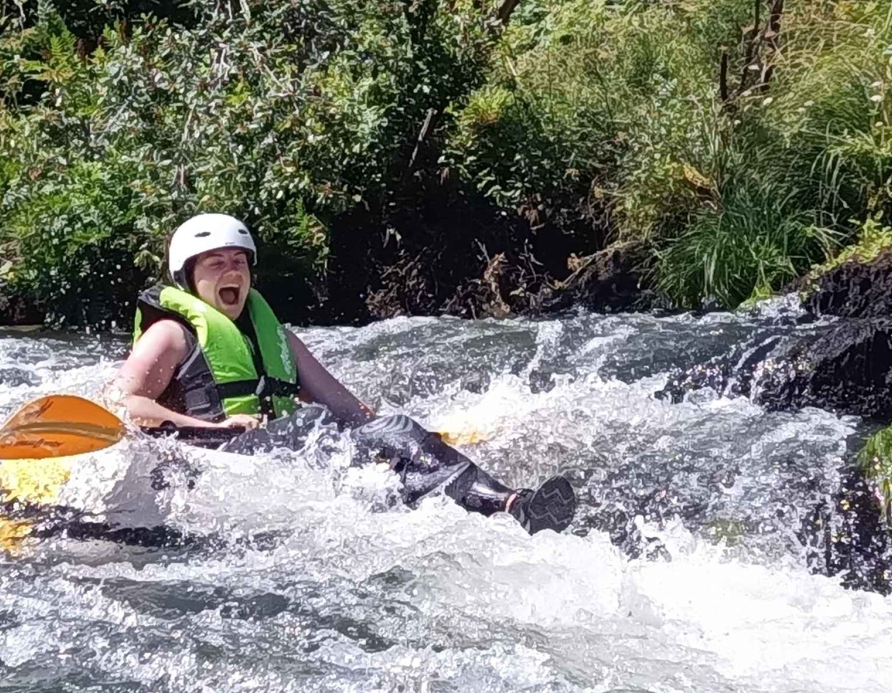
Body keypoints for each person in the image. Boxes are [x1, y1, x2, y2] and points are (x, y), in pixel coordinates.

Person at [110, 213, 576, 534]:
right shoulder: (171, 335)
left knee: (387, 435)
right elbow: (124, 403)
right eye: (217, 264)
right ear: (189, 277)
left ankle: (514, 506)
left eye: (240, 262)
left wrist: (402, 436)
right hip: (211, 459)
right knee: (318, 432)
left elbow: (345, 407)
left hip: (277, 454)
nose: (233, 271)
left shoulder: (276, 339)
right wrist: (212, 427)